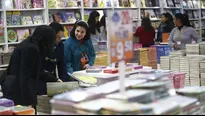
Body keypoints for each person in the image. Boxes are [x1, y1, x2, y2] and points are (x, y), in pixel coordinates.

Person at [0, 25, 56, 112]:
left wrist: (55, 79)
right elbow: (25, 76)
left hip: (11, 85)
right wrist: (28, 102)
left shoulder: (28, 43)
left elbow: (37, 70)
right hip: (18, 91)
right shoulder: (32, 49)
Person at [36, 22, 70, 95]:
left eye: (60, 37)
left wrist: (64, 83)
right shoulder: (41, 46)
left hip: (52, 79)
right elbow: (38, 70)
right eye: (57, 37)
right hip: (40, 79)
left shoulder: (60, 46)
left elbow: (62, 66)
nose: (58, 40)